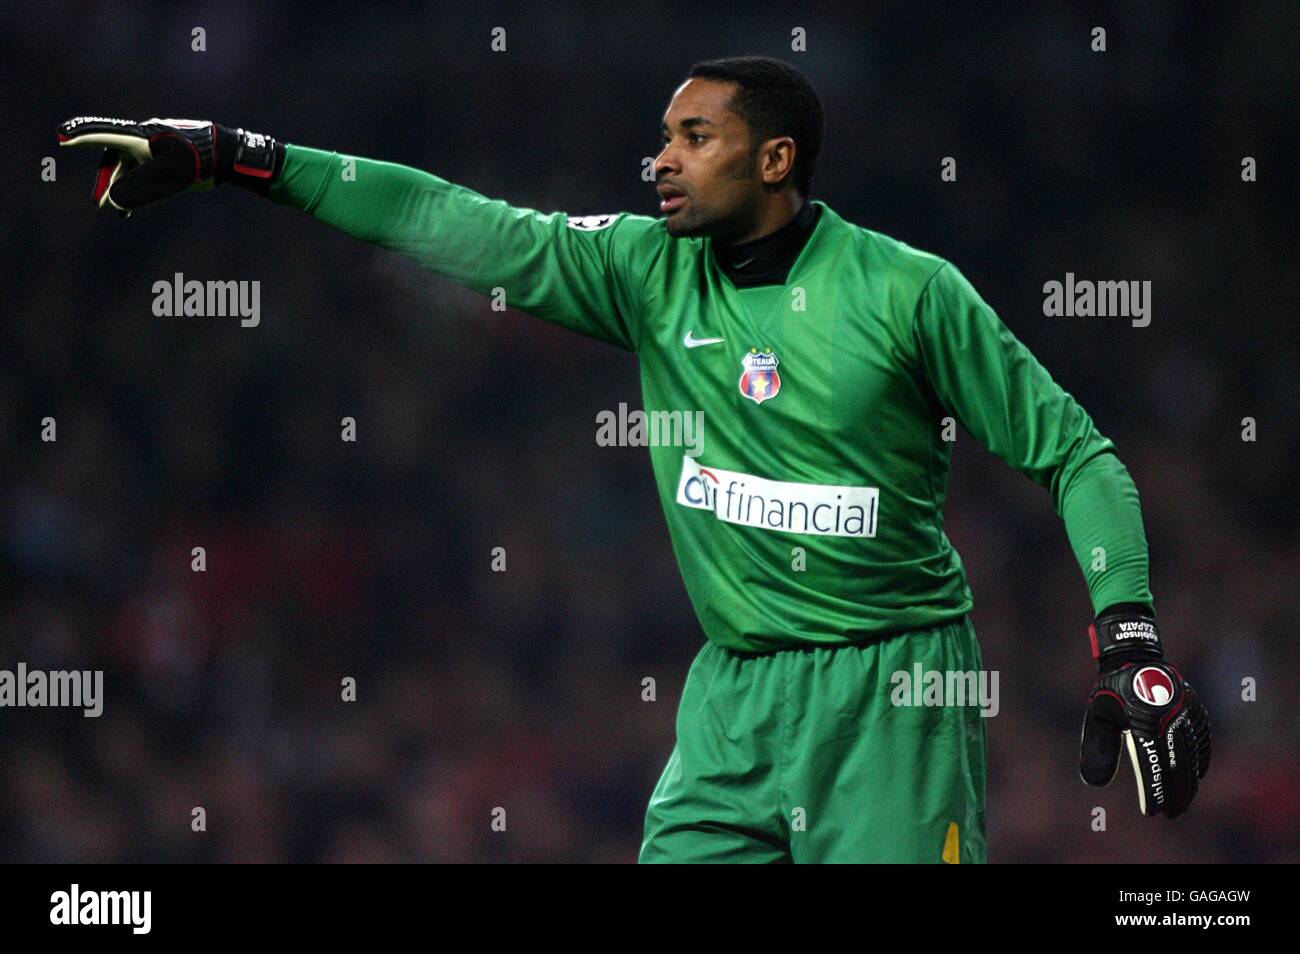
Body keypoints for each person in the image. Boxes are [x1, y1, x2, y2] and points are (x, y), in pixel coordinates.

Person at [58, 55, 1210, 863]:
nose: (657, 158)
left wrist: (1131, 643)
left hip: (892, 692)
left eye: (691, 137)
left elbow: (1075, 456)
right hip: (732, 694)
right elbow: (448, 221)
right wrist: (230, 156)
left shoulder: (908, 294)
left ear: (775, 160)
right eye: (662, 134)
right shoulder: (641, 272)